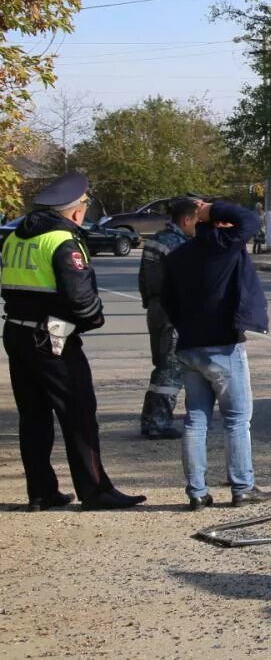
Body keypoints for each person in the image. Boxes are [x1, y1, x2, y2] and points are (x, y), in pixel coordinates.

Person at [1, 172, 146, 511]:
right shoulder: (63, 240)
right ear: (76, 211)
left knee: (33, 417)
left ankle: (41, 492)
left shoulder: (16, 238)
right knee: (78, 413)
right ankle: (95, 491)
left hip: (16, 331)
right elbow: (82, 299)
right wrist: (93, 320)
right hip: (52, 334)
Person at [163, 198, 271, 510]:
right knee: (237, 420)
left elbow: (167, 302)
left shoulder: (177, 256)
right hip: (223, 346)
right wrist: (211, 208)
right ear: (217, 223)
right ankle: (243, 487)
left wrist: (186, 327)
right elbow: (248, 218)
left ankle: (197, 492)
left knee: (195, 421)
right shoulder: (223, 247)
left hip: (188, 346)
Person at [136, 201, 191, 439]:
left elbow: (143, 277)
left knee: (162, 366)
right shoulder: (179, 246)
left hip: (156, 308)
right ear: (187, 220)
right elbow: (186, 285)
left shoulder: (155, 239)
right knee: (170, 370)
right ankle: (157, 422)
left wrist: (150, 302)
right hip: (172, 311)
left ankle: (151, 419)